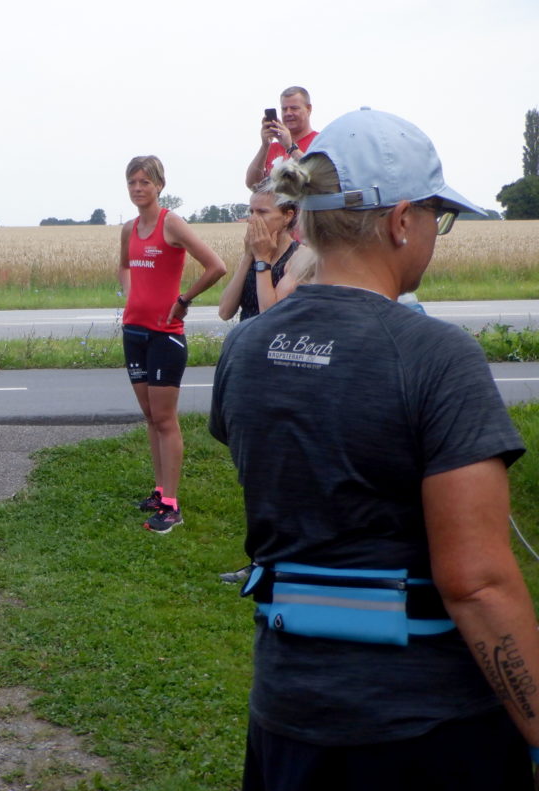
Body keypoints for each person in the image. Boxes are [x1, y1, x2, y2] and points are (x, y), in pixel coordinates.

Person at [210, 108, 538, 790]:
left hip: (286, 722)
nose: (434, 236)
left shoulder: (243, 349)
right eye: (436, 219)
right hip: (427, 733)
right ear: (400, 221)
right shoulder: (435, 356)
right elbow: (476, 582)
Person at [119, 156, 226, 534]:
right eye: (132, 182)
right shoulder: (129, 228)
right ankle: (160, 490)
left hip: (166, 335)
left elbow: (216, 266)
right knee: (150, 417)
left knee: (165, 419)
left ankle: (172, 506)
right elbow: (125, 266)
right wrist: (131, 300)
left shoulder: (172, 223)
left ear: (159, 185)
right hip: (134, 332)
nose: (137, 188)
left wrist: (183, 300)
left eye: (144, 182)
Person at [218, 180, 316, 323]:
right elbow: (225, 312)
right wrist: (247, 256)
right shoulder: (255, 254)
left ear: (287, 216)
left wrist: (262, 260)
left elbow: (270, 318)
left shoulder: (300, 257)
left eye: (262, 212)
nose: (252, 219)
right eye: (251, 212)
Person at [244, 87, 318, 191]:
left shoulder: (320, 141)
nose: (288, 113)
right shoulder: (272, 148)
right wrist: (265, 146)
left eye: (294, 108)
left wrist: (290, 147)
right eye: (284, 109)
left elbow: (319, 177)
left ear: (308, 109)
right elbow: (252, 184)